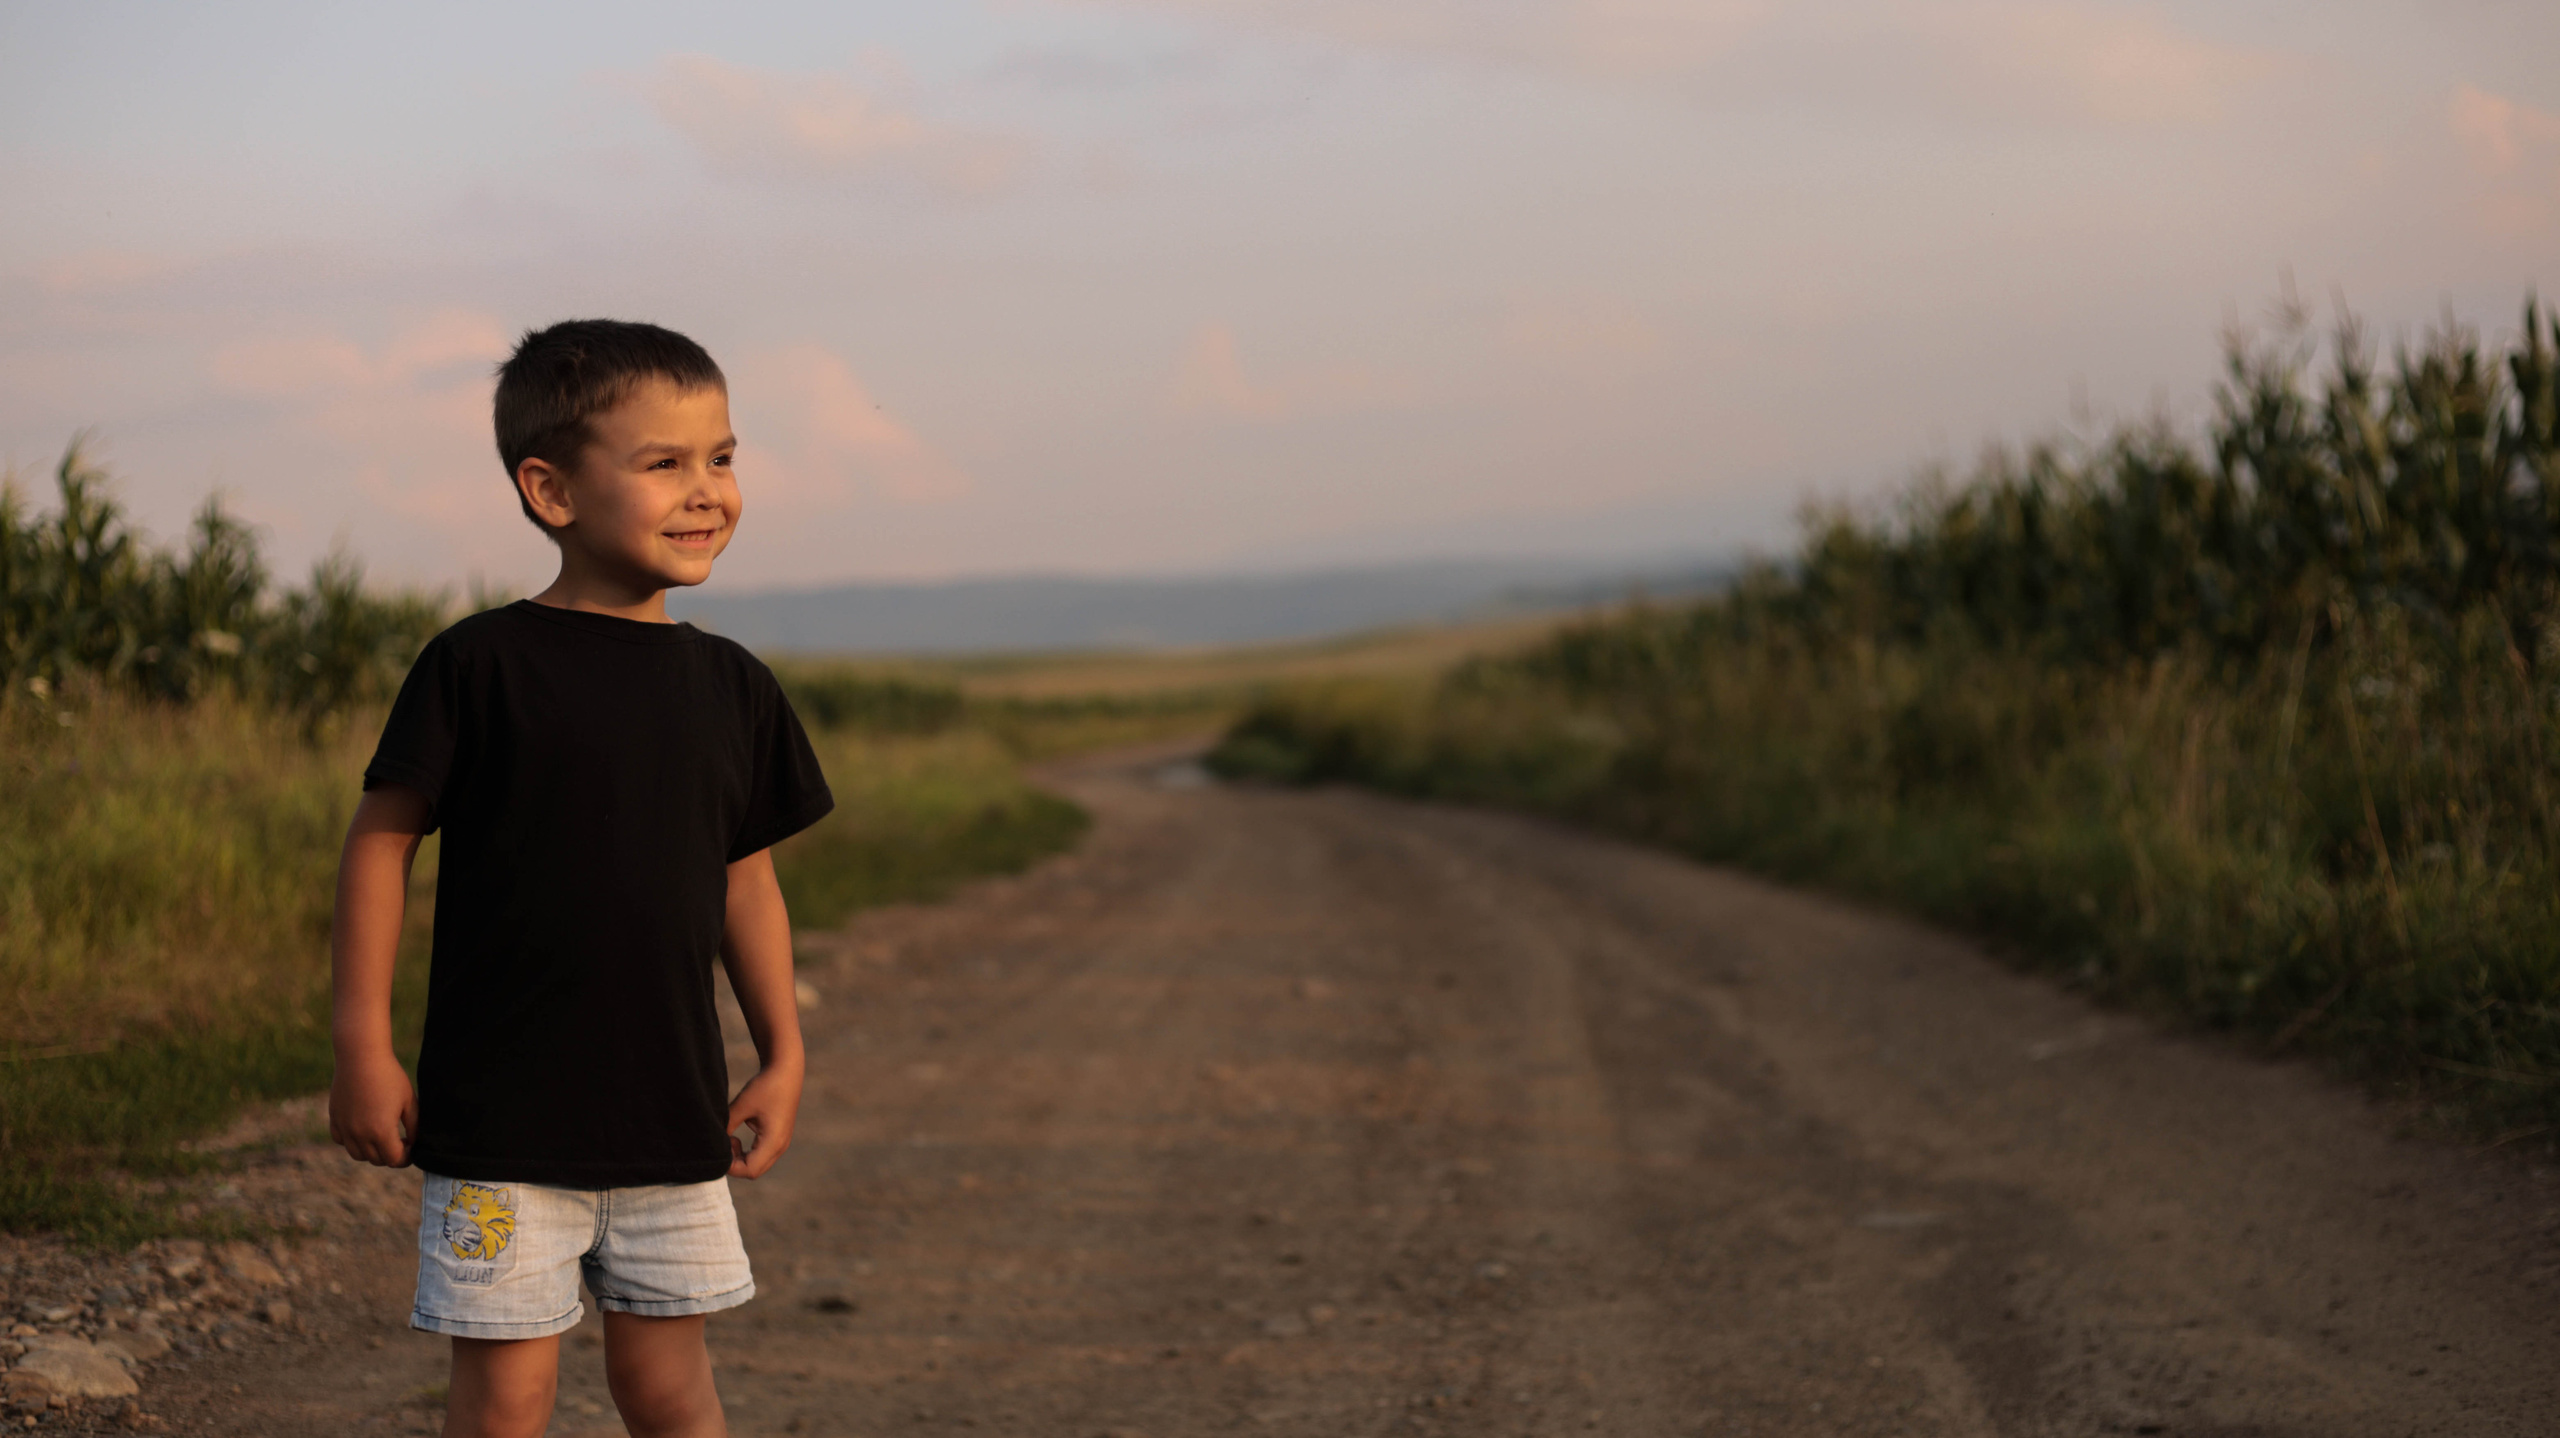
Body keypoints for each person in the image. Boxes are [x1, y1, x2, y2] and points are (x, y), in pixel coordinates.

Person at [327, 319, 834, 1438]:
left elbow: (743, 879)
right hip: (502, 1129)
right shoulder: (477, 666)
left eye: (722, 458)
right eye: (664, 463)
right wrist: (363, 1044)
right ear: (550, 489)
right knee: (507, 1401)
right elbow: (381, 843)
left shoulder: (731, 686)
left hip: (671, 1121)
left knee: (667, 1392)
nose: (706, 491)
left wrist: (784, 1051)